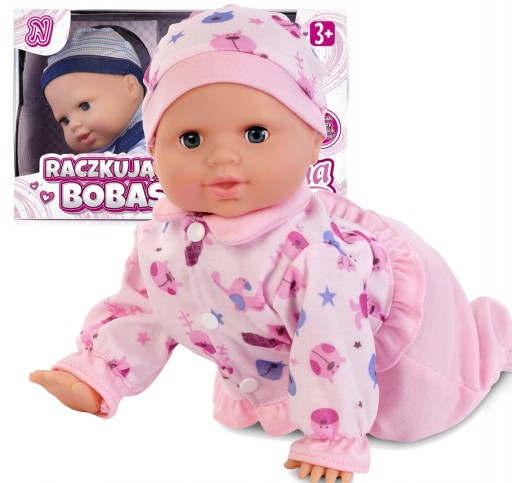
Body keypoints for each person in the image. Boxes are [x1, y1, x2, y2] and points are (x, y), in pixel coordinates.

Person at [30, 6, 512, 483]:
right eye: (191, 139)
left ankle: (491, 337)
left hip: (398, 351)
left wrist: (332, 439)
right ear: (155, 149)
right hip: (265, 348)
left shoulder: (314, 255)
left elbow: (332, 342)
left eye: (255, 134)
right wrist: (99, 371)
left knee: (424, 409)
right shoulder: (161, 237)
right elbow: (145, 308)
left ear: (313, 140)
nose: (222, 157)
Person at [41, 26, 147, 155]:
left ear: (130, 87)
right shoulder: (105, 148)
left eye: (85, 106)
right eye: (65, 120)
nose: (73, 125)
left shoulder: (152, 134)